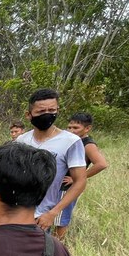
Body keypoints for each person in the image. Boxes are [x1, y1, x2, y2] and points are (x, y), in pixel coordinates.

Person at [16, 89, 87, 231]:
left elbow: (80, 181)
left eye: (51, 110)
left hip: (42, 216)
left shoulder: (70, 141)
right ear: (29, 115)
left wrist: (53, 213)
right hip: (18, 212)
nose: (47, 115)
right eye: (41, 111)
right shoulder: (21, 140)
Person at [54, 112, 109, 239]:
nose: (71, 130)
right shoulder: (71, 141)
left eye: (76, 128)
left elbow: (101, 164)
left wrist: (77, 178)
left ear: (87, 128)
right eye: (69, 127)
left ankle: (57, 246)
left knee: (61, 218)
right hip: (58, 185)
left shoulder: (88, 144)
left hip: (67, 187)